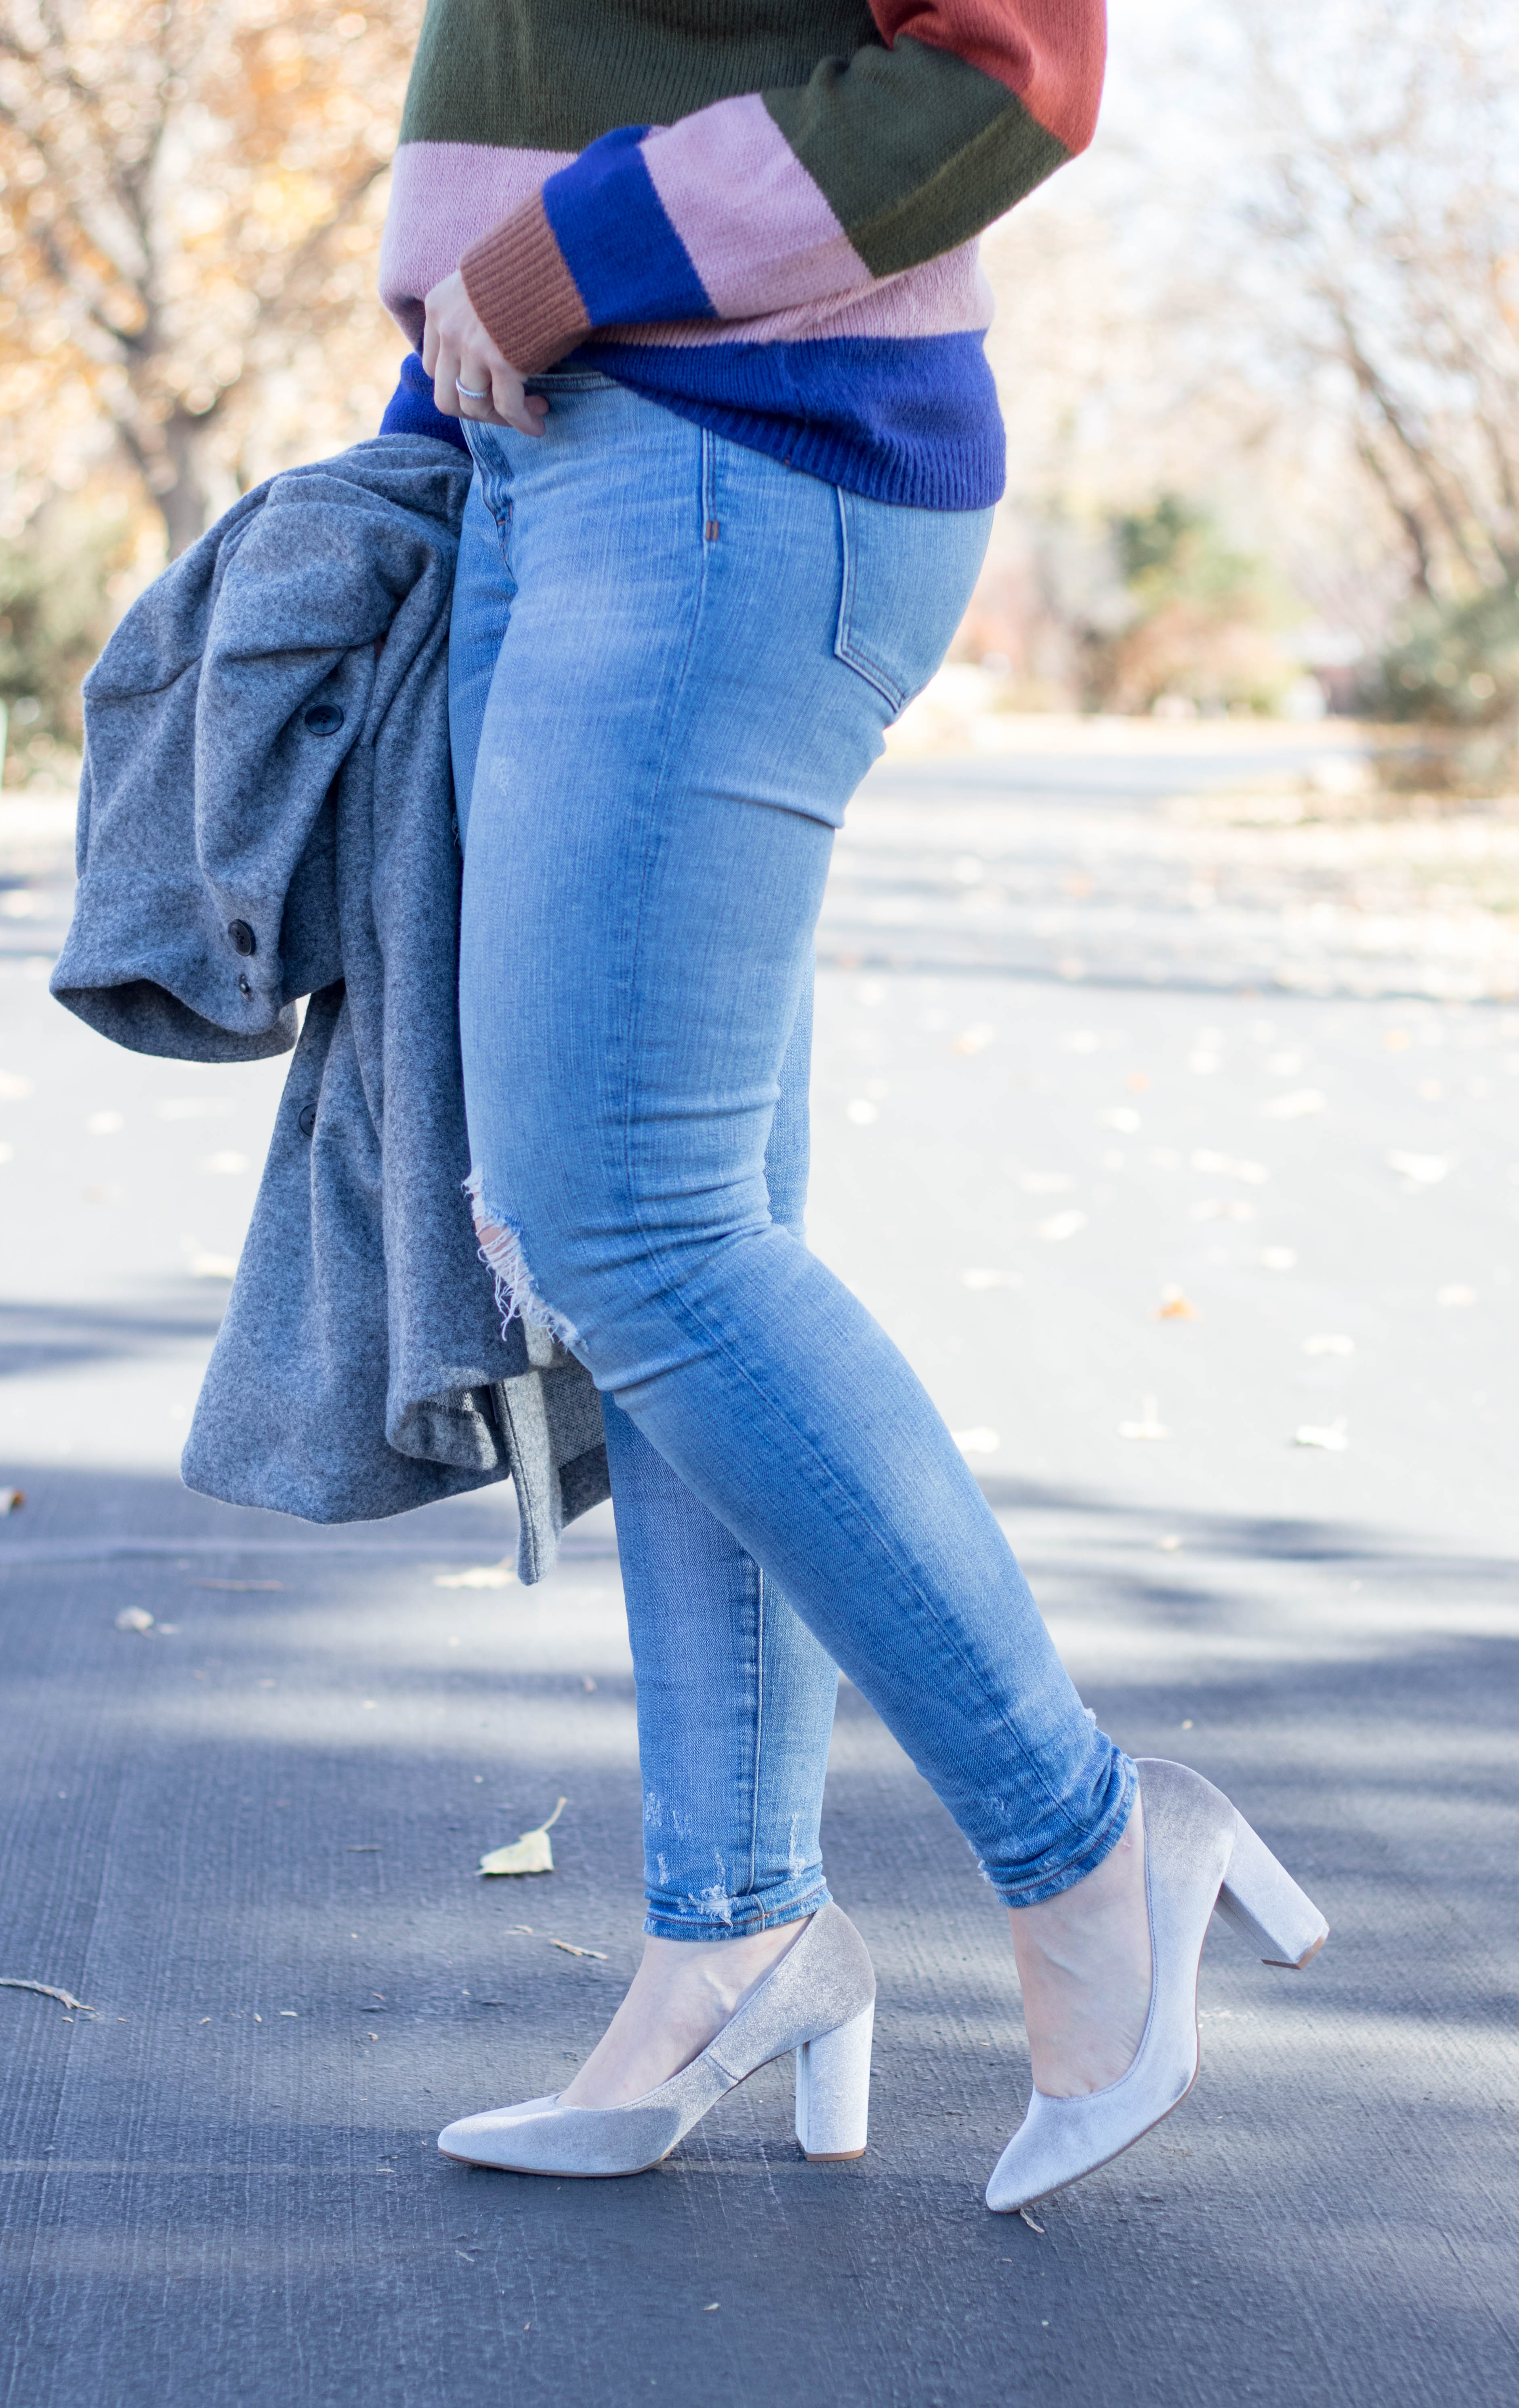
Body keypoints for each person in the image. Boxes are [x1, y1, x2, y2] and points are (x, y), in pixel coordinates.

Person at [375, 0, 1328, 2208]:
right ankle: (736, 1936)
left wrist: (549, 260)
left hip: (736, 451)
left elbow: (1008, 66)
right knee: (658, 1232)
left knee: (627, 1221)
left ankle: (1090, 1845)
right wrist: (458, 339)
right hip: (557, 438)